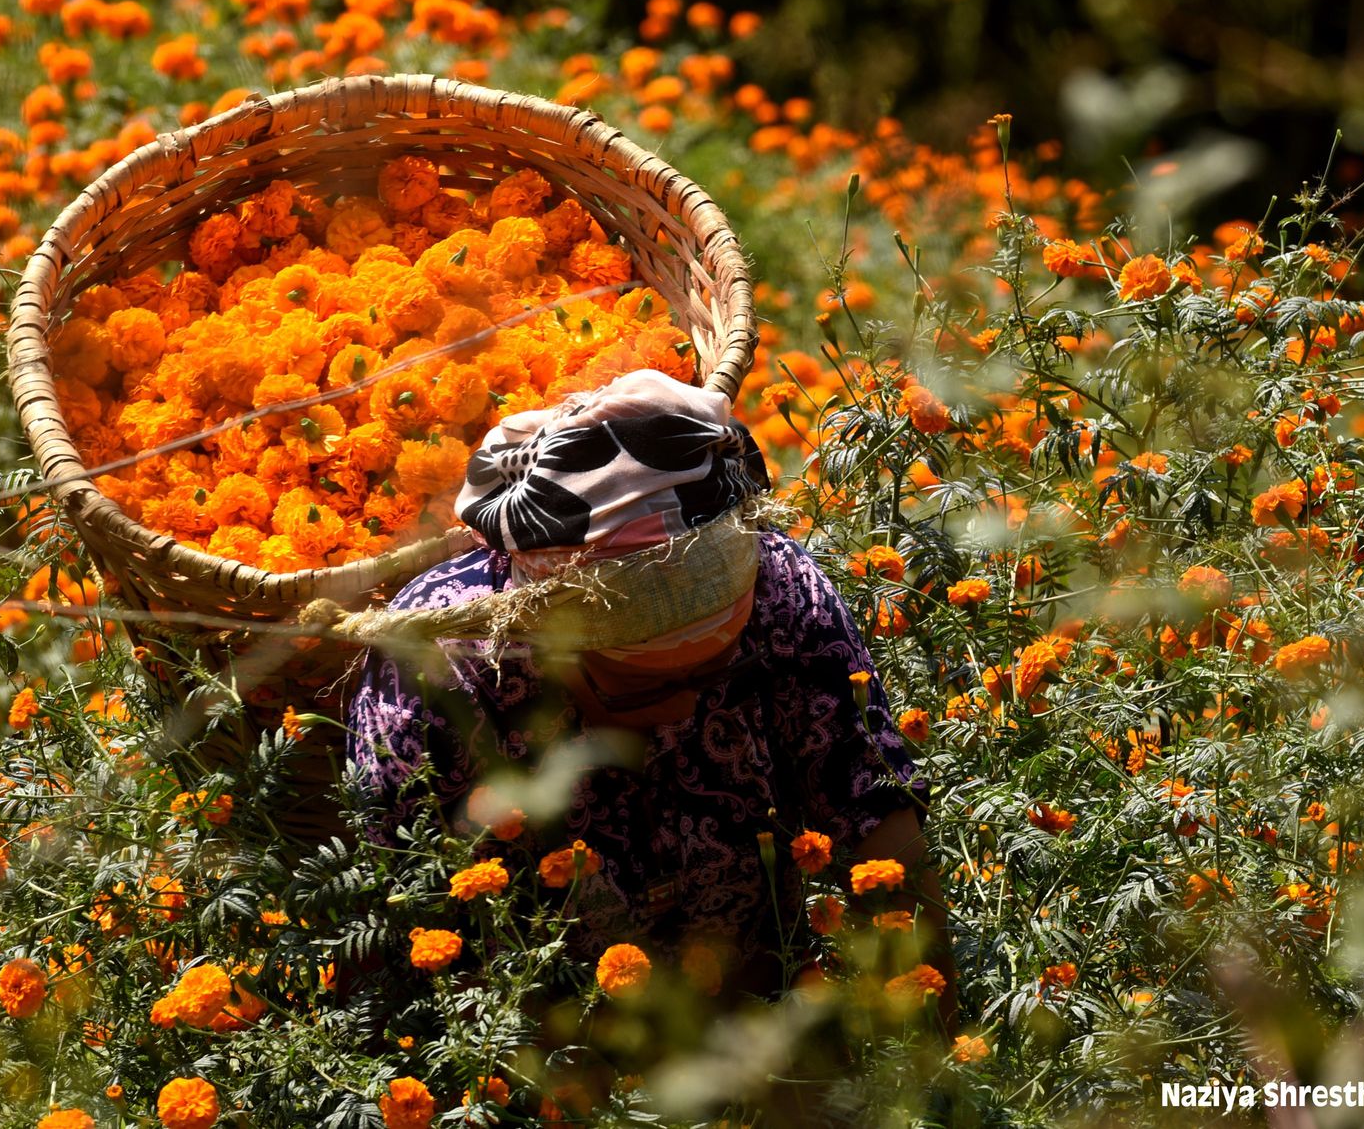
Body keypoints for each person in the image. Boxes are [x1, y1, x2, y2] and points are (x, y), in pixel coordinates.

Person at [344, 368, 943, 1004]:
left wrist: (932, 1037)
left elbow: (879, 812)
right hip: (533, 1042)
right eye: (641, 685)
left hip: (757, 1007)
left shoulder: (784, 595)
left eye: (719, 674)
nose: (688, 705)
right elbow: (398, 911)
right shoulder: (441, 671)